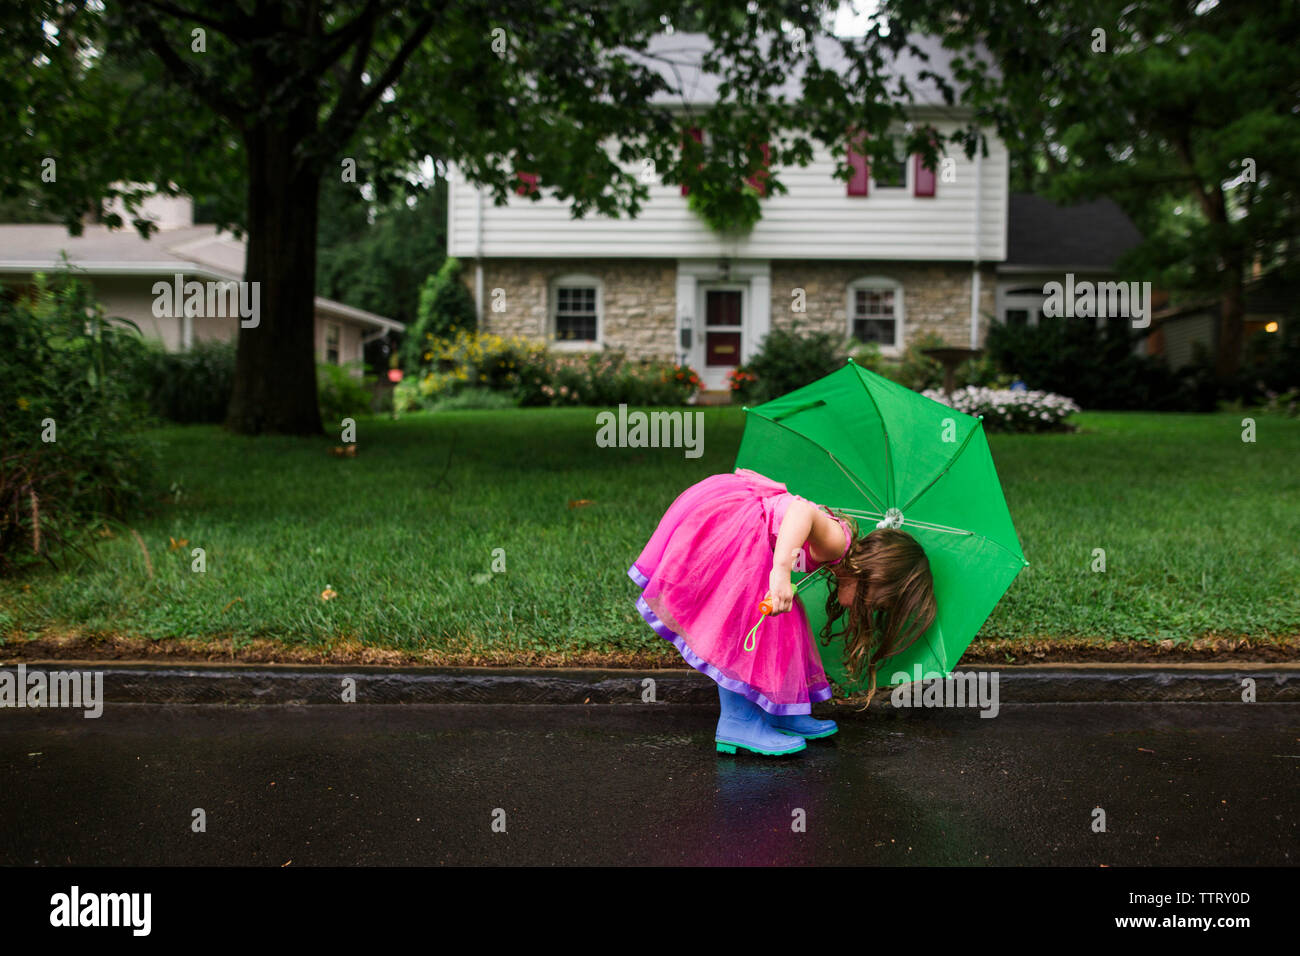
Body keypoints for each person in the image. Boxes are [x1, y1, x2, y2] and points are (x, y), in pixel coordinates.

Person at [628, 467, 937, 756]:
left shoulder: (837, 559)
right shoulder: (838, 542)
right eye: (876, 603)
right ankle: (737, 722)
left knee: (786, 620)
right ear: (873, 577)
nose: (868, 610)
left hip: (744, 526)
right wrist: (780, 571)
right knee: (743, 619)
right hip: (736, 524)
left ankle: (781, 710)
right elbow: (801, 511)